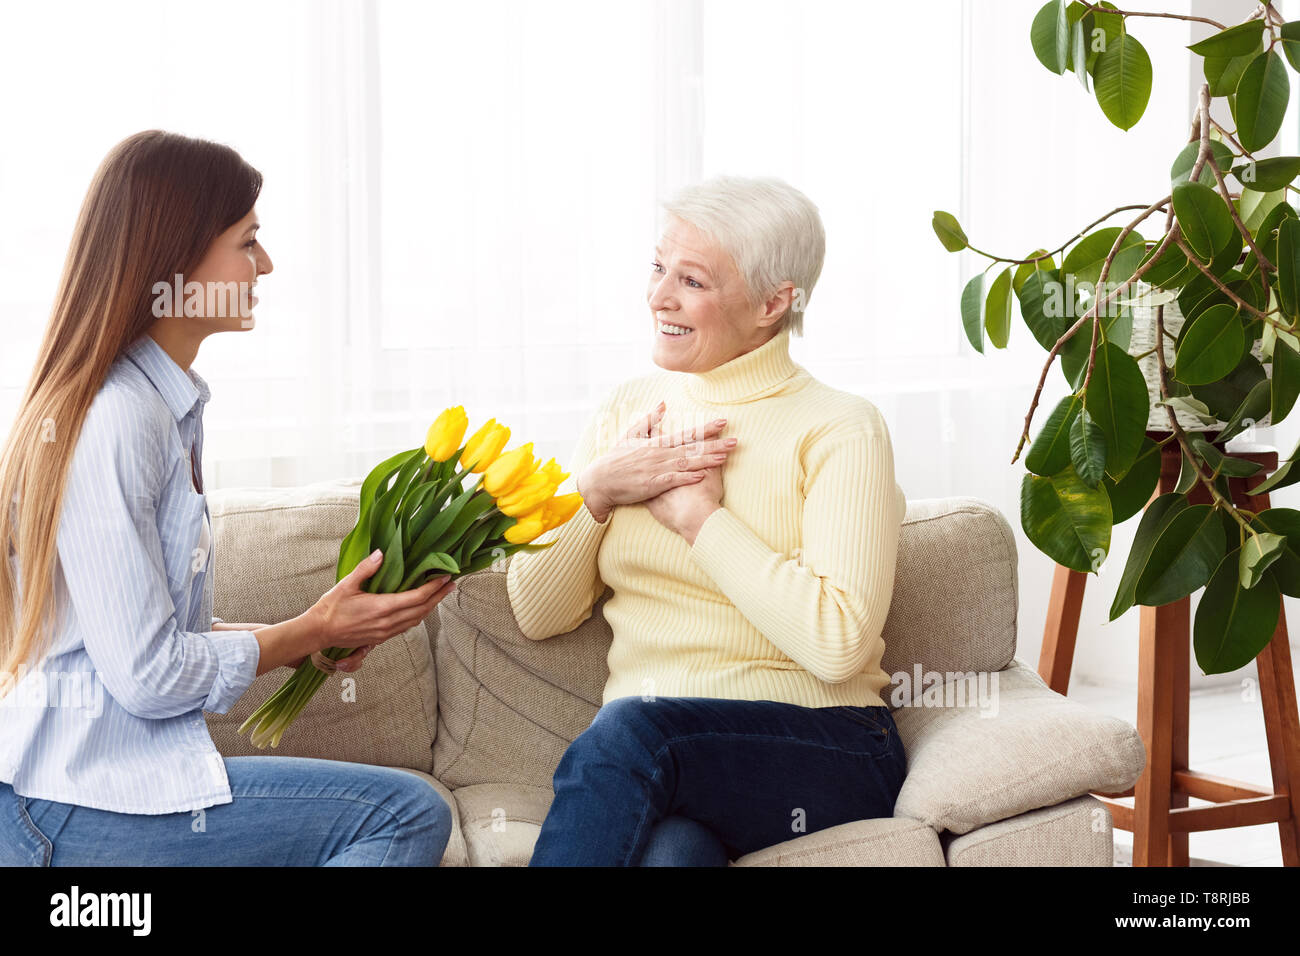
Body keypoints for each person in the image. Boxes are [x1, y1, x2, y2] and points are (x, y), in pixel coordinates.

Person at [0, 130, 456, 866]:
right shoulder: (119, 418)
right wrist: (306, 633)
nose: (265, 265)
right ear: (175, 260)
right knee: (403, 816)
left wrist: (313, 630)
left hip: (93, 793)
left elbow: (150, 639)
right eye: (248, 241)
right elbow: (148, 678)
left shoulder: (159, 407)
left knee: (402, 810)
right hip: (69, 808)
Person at [507, 175, 909, 866]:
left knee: (633, 732)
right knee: (672, 855)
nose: (658, 297)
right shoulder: (628, 413)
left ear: (774, 301)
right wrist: (596, 491)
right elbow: (536, 613)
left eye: (691, 280)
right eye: (659, 269)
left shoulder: (840, 428)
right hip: (670, 766)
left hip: (827, 746)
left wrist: (702, 521)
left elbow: (838, 641)